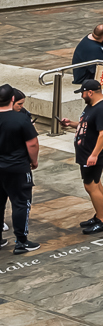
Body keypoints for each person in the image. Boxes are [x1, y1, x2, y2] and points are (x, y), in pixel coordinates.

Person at [68, 79, 103, 234]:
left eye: (83, 93)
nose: (82, 96)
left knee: (90, 185)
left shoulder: (102, 110)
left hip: (92, 154)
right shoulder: (92, 106)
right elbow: (88, 125)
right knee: (96, 183)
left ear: (90, 92)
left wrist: (94, 154)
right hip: (86, 153)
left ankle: (102, 220)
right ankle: (99, 215)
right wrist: (72, 124)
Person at [0, 85, 38, 255]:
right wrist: (34, 161)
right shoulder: (20, 119)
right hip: (17, 168)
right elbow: (32, 143)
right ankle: (21, 241)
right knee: (21, 203)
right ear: (12, 99)